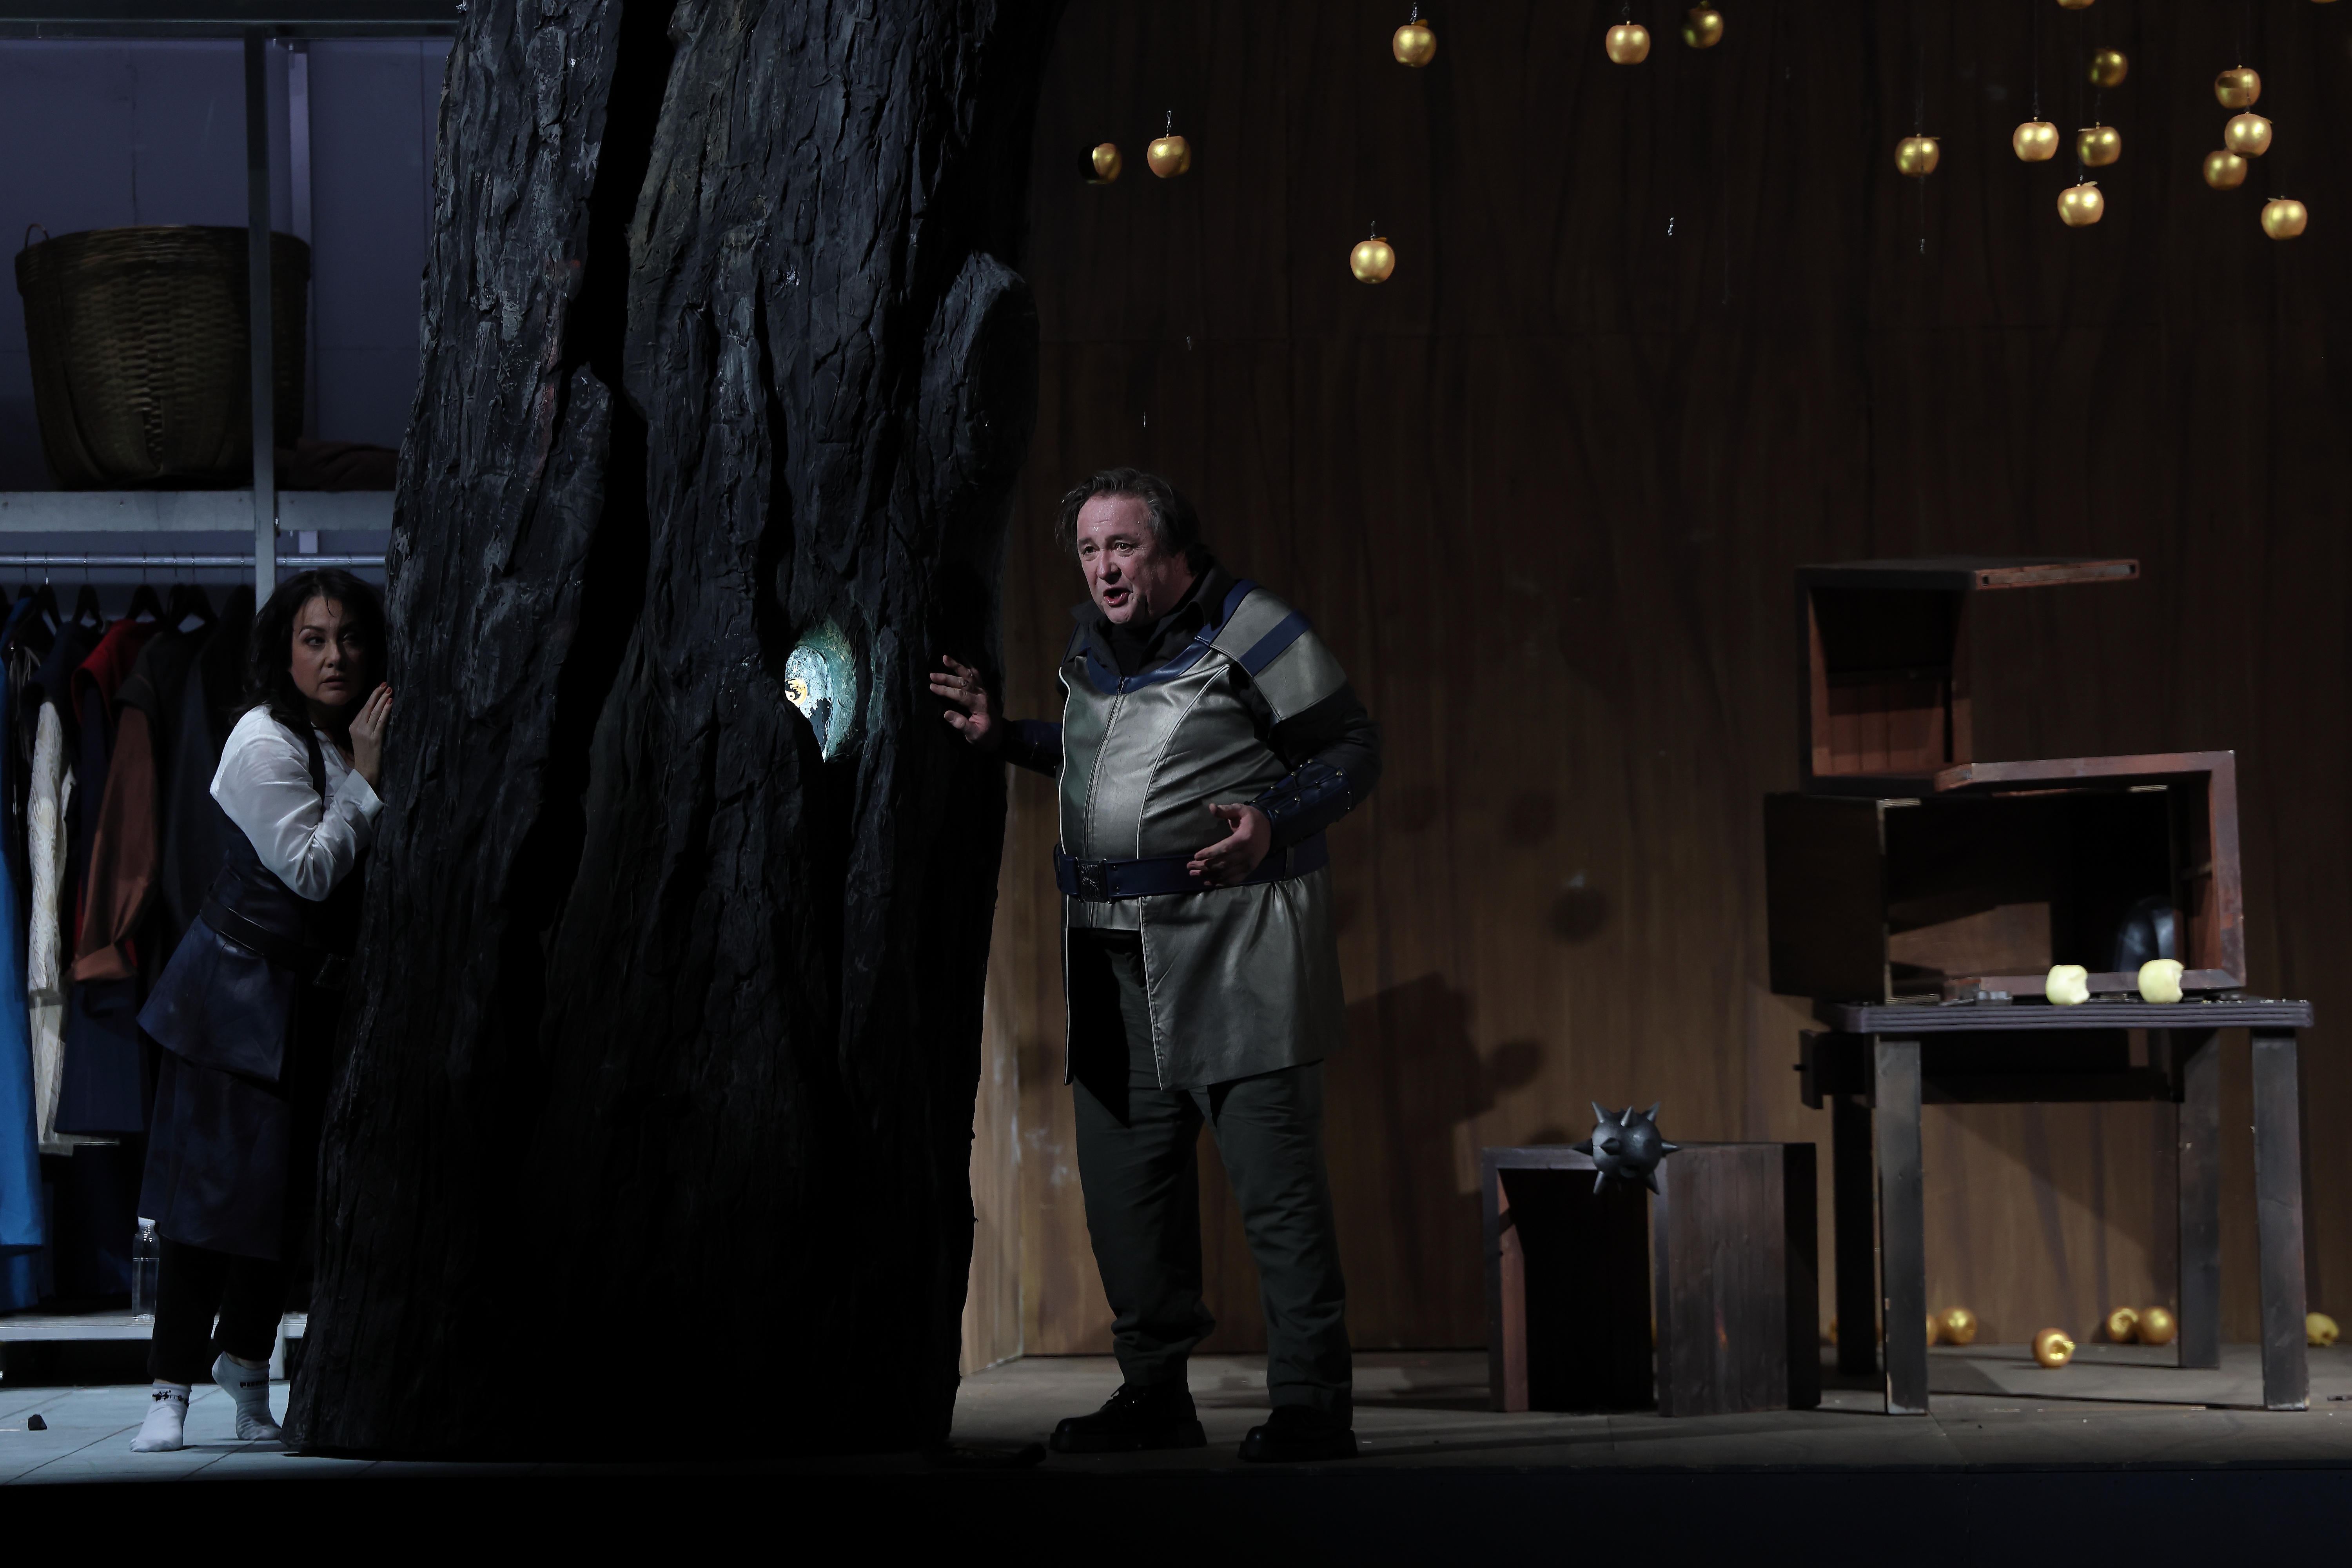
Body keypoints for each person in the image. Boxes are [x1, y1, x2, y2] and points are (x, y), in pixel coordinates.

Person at [931, 468, 1380, 1463]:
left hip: (1237, 950)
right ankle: (1153, 1394)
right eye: (1090, 550)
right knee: (1126, 1193)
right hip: (1109, 957)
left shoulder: (1254, 630)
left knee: (1278, 1194)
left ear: (1174, 551)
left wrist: (1275, 820)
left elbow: (1353, 747)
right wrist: (1003, 736)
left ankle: (1313, 1405)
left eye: (1123, 546)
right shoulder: (1092, 649)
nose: (1104, 568)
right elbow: (1106, 762)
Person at [128, 569, 392, 1453]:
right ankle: (167, 1388)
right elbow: (311, 869)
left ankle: (246, 1371)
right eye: (314, 639)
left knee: (284, 1209)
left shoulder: (355, 733)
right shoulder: (260, 739)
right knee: (208, 1201)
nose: (335, 656)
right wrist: (366, 779)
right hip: (233, 999)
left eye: (350, 638)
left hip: (311, 1001)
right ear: (284, 651)